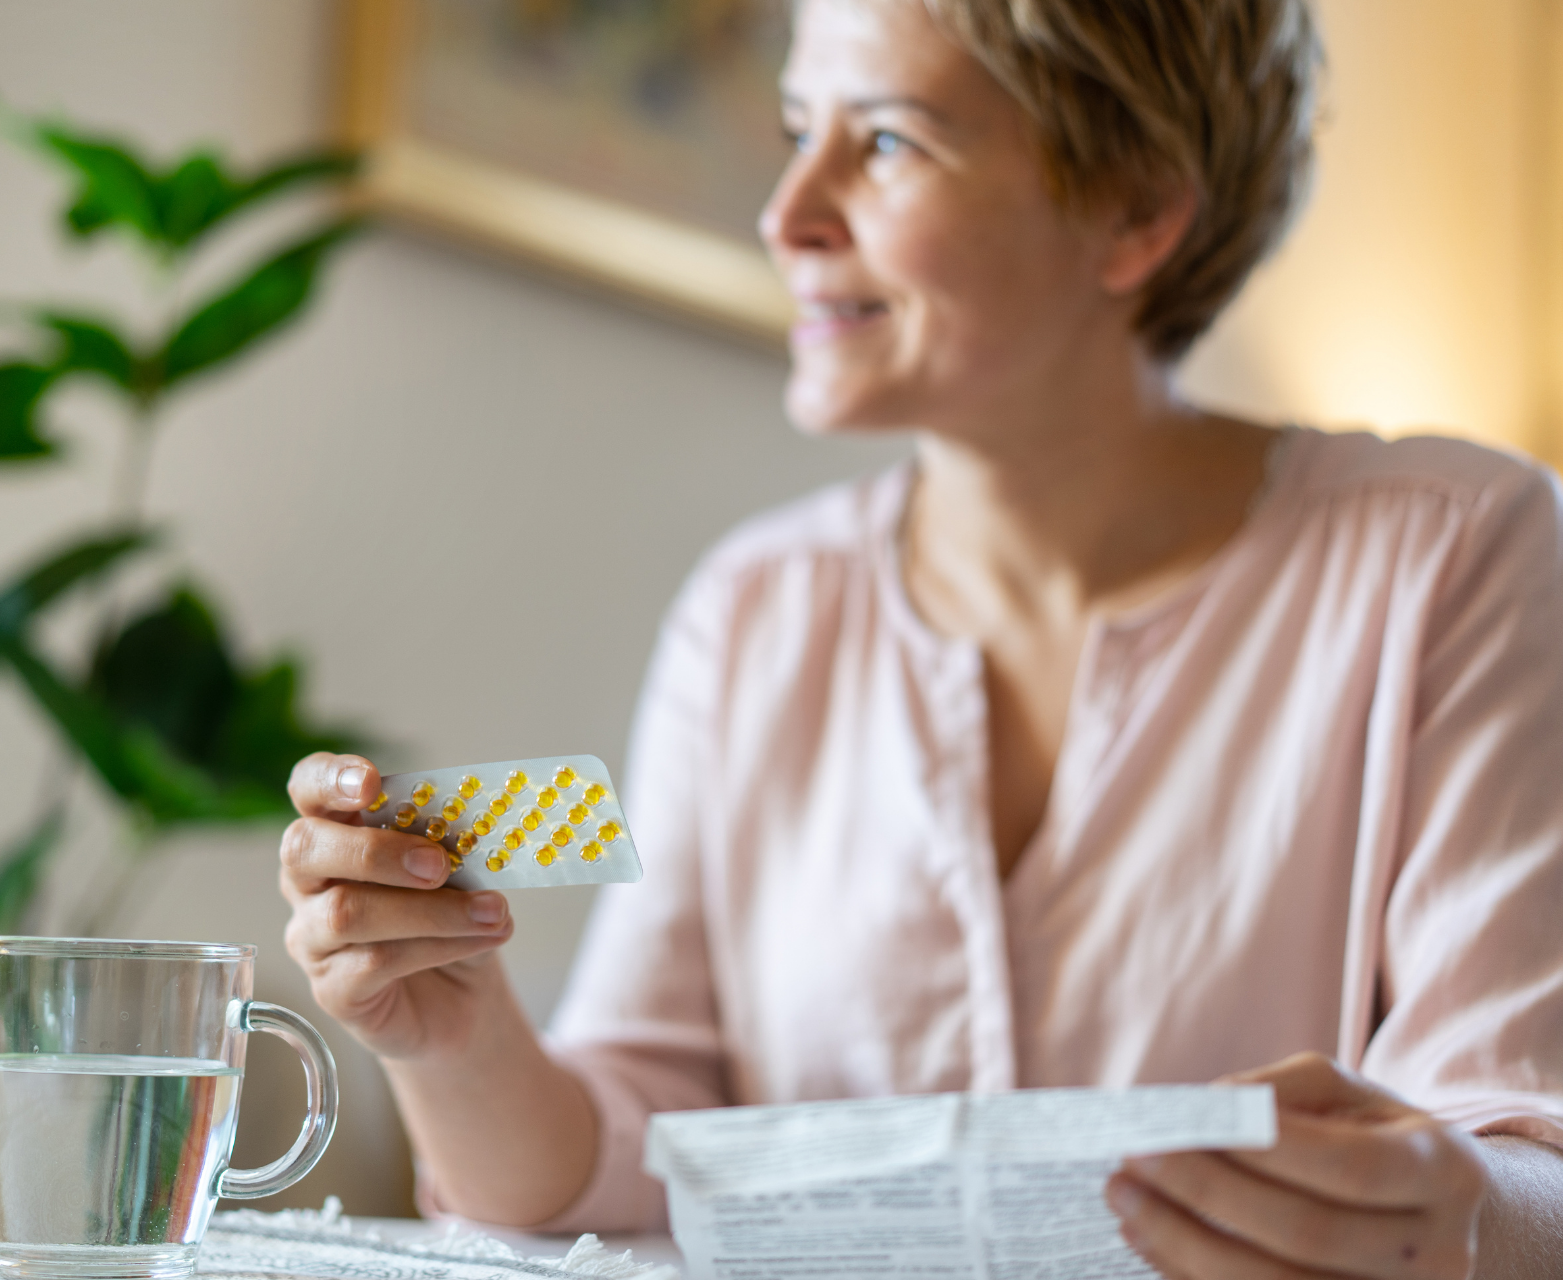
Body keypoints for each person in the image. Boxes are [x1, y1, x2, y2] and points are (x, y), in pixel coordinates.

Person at [277, 0, 1563, 1273]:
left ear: (1136, 210)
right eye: (796, 129)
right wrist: (454, 1039)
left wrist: (1446, 1206)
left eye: (887, 142)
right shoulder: (755, 610)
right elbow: (612, 1171)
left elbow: (1519, 1164)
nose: (786, 215)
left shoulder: (1455, 547)